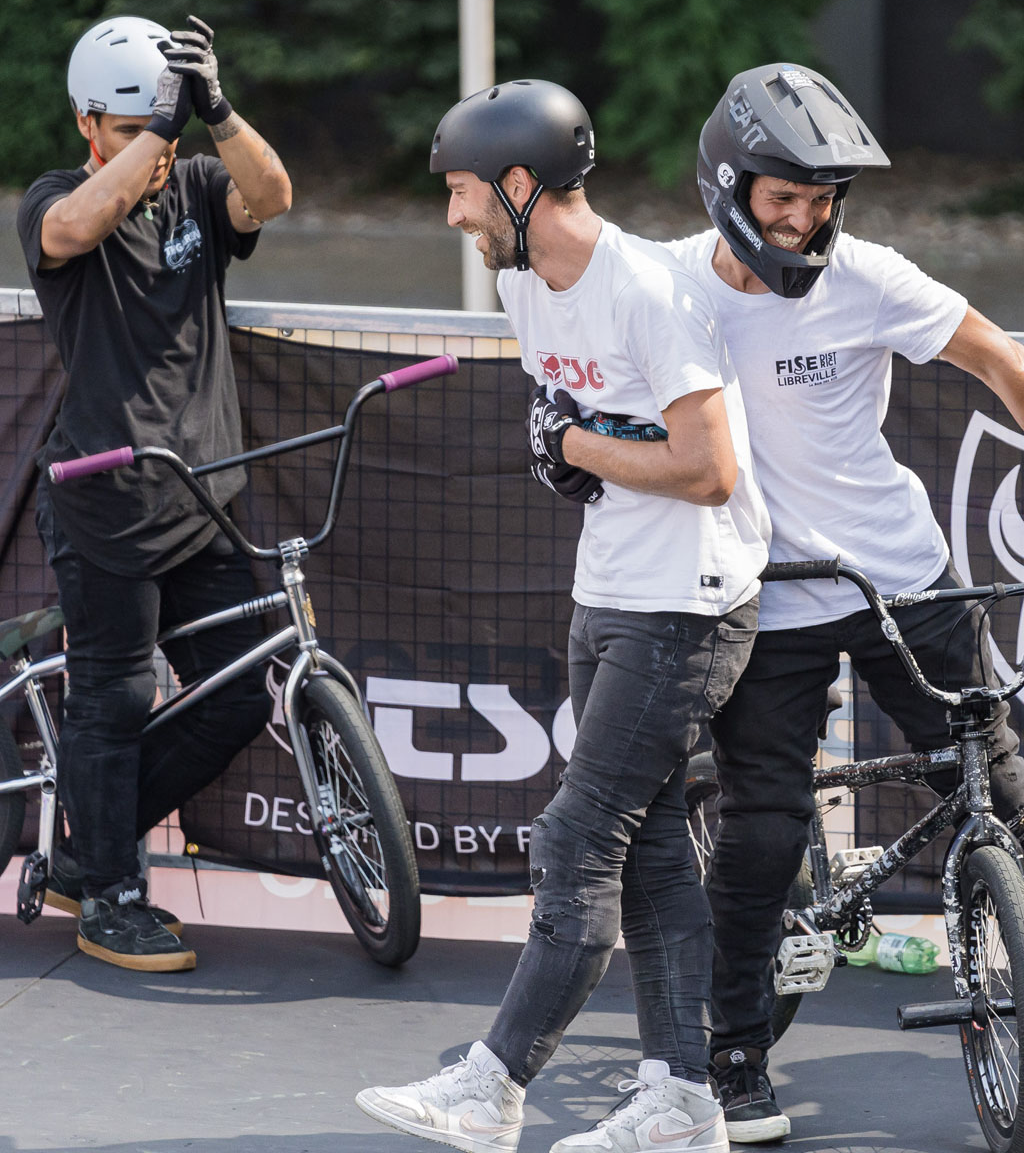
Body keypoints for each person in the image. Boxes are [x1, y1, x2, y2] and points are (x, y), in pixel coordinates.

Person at [356, 79, 770, 1153]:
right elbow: (585, 436)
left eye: (461, 193)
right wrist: (576, 451)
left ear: (522, 183)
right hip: (608, 589)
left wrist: (575, 448)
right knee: (650, 853)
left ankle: (492, 1083)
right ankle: (682, 1101)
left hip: (687, 605)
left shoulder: (645, 289)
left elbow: (711, 469)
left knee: (577, 838)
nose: (452, 217)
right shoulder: (528, 284)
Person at [661, 61, 1024, 1143]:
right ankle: (733, 1050)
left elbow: (997, 359)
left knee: (1000, 777)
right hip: (764, 591)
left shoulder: (866, 275)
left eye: (823, 201)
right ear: (728, 185)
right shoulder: (668, 286)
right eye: (785, 199)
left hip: (898, 571)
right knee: (764, 829)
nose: (807, 222)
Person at [17, 13, 292, 971]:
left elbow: (274, 194)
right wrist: (159, 135)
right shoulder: (56, 200)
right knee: (113, 699)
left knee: (238, 698)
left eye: (159, 127)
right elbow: (76, 226)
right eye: (133, 131)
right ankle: (107, 896)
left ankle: (83, 851)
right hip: (102, 504)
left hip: (201, 499)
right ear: (89, 126)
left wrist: (213, 110)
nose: (154, 149)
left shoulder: (199, 186)